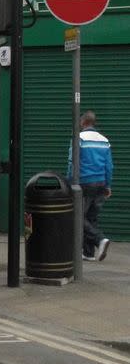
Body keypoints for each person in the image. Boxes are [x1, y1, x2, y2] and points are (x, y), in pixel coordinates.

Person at [68, 110, 112, 261]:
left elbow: (72, 162)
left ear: (83, 122)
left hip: (84, 183)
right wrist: (107, 185)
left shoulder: (79, 139)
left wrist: (70, 182)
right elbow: (109, 166)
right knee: (91, 217)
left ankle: (100, 240)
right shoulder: (104, 140)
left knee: (77, 216)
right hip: (100, 183)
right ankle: (88, 253)